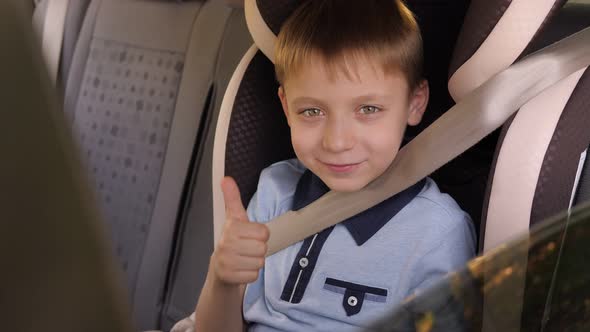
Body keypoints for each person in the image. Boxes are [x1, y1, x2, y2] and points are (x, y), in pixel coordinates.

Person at [180, 0, 476, 331]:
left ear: (414, 104)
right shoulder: (274, 191)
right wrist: (222, 279)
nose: (337, 142)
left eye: (368, 109)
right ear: (286, 108)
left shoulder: (437, 233)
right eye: (312, 112)